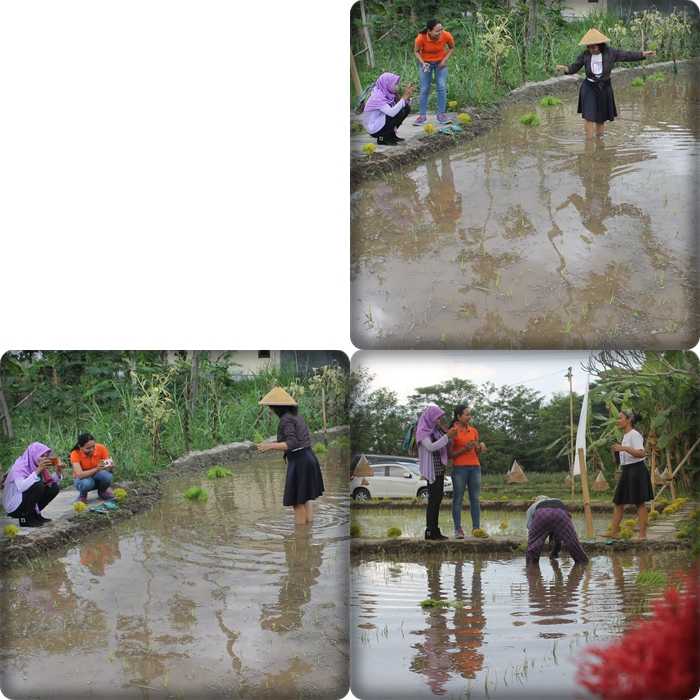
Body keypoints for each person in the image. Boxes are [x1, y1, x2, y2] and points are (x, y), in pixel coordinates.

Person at [555, 28, 655, 139]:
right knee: (589, 116)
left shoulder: (611, 53)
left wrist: (642, 54)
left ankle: (599, 140)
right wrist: (565, 69)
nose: (591, 49)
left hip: (604, 87)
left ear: (600, 45)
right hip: (589, 87)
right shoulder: (585, 55)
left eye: (593, 46)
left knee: (601, 117)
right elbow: (574, 68)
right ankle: (588, 142)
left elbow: (627, 55)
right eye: (589, 46)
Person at [256, 386, 324, 526]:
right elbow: (295, 441)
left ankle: (300, 540)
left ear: (276, 407)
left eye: (270, 406)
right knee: (305, 499)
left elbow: (291, 443)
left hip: (300, 462)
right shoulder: (296, 416)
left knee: (296, 503)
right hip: (309, 457)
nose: (270, 409)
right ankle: (308, 533)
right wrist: (270, 444)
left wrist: (268, 446)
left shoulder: (285, 420)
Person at [416, 403, 458, 540]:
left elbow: (445, 444)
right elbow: (431, 447)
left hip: (439, 469)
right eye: (437, 418)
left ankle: (435, 530)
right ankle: (430, 531)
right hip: (432, 470)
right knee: (433, 501)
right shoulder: (423, 432)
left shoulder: (435, 431)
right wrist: (447, 437)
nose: (438, 421)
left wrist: (448, 435)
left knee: (437, 500)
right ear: (430, 417)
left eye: (440, 418)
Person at [608, 409, 652, 540]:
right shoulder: (625, 436)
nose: (618, 421)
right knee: (618, 501)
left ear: (629, 420)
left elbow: (641, 453)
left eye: (620, 418)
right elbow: (625, 455)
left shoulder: (634, 434)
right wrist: (617, 452)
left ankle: (642, 534)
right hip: (626, 470)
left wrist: (623, 448)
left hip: (637, 470)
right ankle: (614, 532)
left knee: (639, 503)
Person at [1, 442, 62, 527]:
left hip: (24, 501)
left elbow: (50, 483)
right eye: (42, 456)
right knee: (38, 485)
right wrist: (38, 470)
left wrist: (58, 471)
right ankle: (26, 518)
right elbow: (21, 487)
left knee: (54, 488)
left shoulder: (35, 465)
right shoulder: (19, 467)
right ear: (33, 455)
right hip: (14, 506)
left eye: (46, 456)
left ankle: (35, 515)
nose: (45, 458)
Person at [449, 404, 487, 539]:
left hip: (475, 467)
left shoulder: (474, 431)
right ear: (458, 416)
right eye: (466, 414)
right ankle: (458, 529)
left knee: (475, 499)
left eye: (470, 414)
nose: (469, 417)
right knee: (458, 499)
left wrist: (480, 447)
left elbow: (476, 452)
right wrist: (464, 449)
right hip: (459, 468)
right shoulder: (453, 431)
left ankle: (476, 529)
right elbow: (450, 454)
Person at [413, 19, 455, 125]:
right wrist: (423, 63)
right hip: (426, 63)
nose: (440, 32)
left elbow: (452, 48)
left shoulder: (446, 35)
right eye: (437, 31)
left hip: (441, 63)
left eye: (441, 29)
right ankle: (422, 116)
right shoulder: (420, 38)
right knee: (424, 88)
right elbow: (416, 51)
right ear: (429, 31)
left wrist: (444, 60)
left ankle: (441, 115)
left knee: (441, 86)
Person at [525, 494, 588, 564]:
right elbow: (568, 515)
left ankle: (531, 565)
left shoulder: (532, 507)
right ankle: (582, 562)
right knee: (571, 540)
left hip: (541, 513)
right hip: (560, 513)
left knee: (534, 543)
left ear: (536, 501)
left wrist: (538, 535)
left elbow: (529, 526)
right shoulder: (556, 500)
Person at [362, 72, 415, 146]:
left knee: (406, 108)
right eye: (395, 84)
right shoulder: (377, 97)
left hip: (380, 121)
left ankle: (391, 135)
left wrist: (407, 96)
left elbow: (400, 106)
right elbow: (392, 113)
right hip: (373, 128)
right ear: (387, 83)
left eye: (397, 84)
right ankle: (382, 139)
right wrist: (404, 97)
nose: (397, 86)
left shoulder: (387, 94)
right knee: (394, 113)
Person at [70, 433, 115, 503]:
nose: (92, 450)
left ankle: (102, 492)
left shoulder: (101, 448)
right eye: (88, 448)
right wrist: (97, 468)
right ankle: (83, 495)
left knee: (107, 476)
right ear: (80, 447)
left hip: (96, 475)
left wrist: (111, 467)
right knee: (87, 483)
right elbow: (80, 475)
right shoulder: (75, 453)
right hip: (82, 480)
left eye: (93, 446)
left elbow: (109, 471)